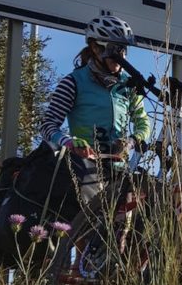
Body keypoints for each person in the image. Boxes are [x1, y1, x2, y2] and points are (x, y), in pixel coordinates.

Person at [40, 11, 151, 200]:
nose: (121, 56)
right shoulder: (73, 82)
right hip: (83, 167)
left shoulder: (128, 84)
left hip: (119, 168)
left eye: (124, 49)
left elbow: (143, 123)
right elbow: (47, 125)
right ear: (95, 48)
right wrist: (69, 143)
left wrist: (131, 142)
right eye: (115, 49)